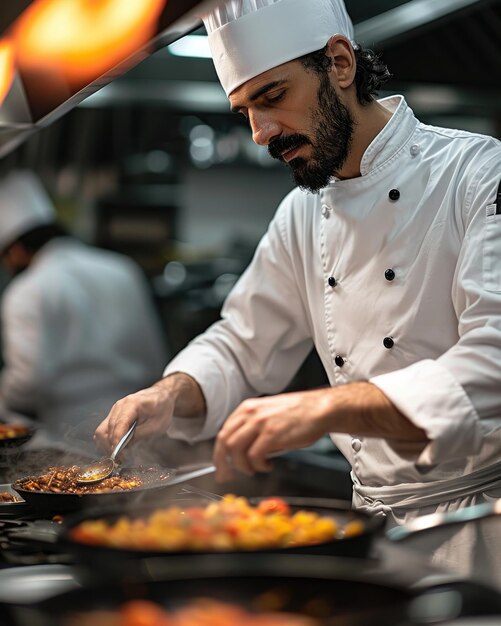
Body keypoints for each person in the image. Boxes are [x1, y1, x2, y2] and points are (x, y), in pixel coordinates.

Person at [95, 0, 501, 582]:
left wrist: (324, 407)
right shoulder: (301, 215)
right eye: (245, 111)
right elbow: (241, 341)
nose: (262, 133)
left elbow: (495, 358)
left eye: (272, 97)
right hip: (369, 531)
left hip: (482, 530)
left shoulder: (478, 174)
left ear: (338, 62)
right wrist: (169, 393)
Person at [0, 170, 169, 438]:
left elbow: (27, 382)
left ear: (17, 250)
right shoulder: (120, 267)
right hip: (141, 421)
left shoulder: (25, 291)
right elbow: (155, 353)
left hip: (71, 433)